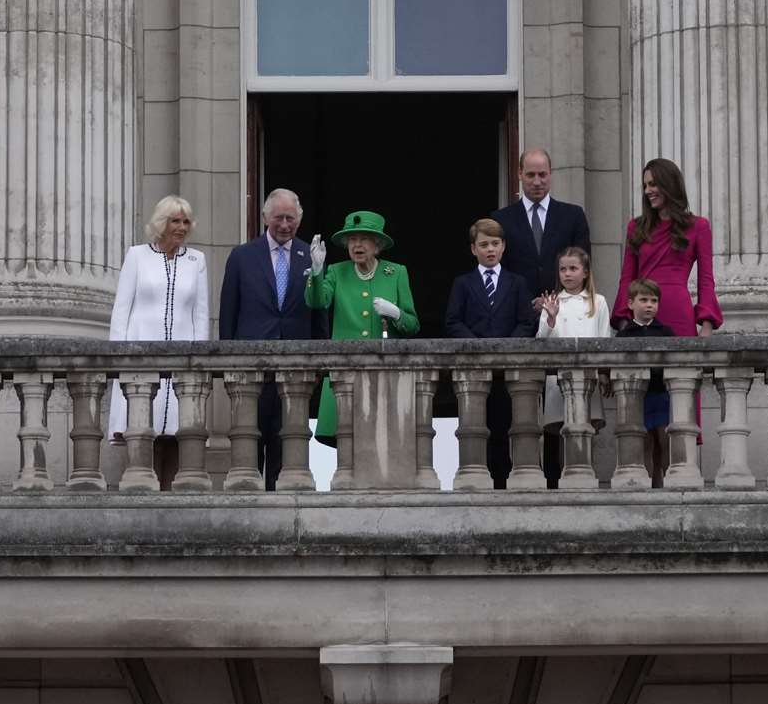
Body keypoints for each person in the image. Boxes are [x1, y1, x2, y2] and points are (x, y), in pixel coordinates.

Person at [219, 188, 325, 489]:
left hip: (295, 370)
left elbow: (319, 313)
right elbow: (228, 313)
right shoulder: (242, 256)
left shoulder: (311, 255)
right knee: (249, 443)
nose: (284, 224)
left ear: (299, 220)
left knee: (288, 444)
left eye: (291, 218)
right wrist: (227, 361)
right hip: (250, 369)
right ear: (266, 217)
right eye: (279, 217)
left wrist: (319, 362)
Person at [108, 195, 210, 485]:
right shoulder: (137, 256)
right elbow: (121, 311)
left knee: (179, 434)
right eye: (175, 221)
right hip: (140, 356)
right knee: (142, 431)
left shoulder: (196, 260)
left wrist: (200, 360)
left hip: (183, 360)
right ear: (162, 223)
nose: (182, 227)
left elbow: (201, 315)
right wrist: (118, 359)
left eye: (186, 221)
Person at [305, 210, 419, 445]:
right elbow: (317, 301)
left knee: (385, 444)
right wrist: (317, 271)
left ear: (377, 245)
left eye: (364, 239)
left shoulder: (396, 273)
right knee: (347, 444)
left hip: (384, 373)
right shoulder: (337, 271)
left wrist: (396, 313)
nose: (356, 245)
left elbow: (413, 326)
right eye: (352, 240)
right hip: (345, 373)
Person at [445, 217, 535, 487]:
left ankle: (505, 483)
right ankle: (478, 482)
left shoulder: (517, 282)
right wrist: (477, 346)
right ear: (474, 249)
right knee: (474, 430)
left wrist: (506, 347)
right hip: (475, 373)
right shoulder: (462, 283)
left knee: (510, 427)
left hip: (508, 372)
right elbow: (452, 321)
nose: (490, 249)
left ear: (504, 246)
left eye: (495, 243)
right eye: (484, 244)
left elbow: (527, 322)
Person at [611, 157, 722, 337]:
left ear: (669, 184)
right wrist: (624, 320)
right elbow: (627, 278)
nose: (647, 191)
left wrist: (707, 325)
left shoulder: (698, 226)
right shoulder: (636, 227)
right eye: (645, 185)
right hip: (641, 315)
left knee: (682, 366)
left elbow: (706, 279)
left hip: (678, 312)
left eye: (653, 184)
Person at [536, 245, 612, 486]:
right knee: (561, 430)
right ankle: (563, 478)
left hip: (588, 377)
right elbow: (541, 340)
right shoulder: (553, 300)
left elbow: (604, 339)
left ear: (585, 272)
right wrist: (550, 318)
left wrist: (603, 373)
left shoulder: (597, 302)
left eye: (573, 268)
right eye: (562, 269)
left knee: (585, 428)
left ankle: (585, 475)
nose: (567, 274)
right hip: (558, 378)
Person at [492, 148, 592, 307]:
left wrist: (554, 300)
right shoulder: (501, 220)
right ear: (520, 174)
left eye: (542, 175)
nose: (537, 182)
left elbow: (583, 264)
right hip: (517, 314)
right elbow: (498, 271)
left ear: (550, 173)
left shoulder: (573, 216)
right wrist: (527, 302)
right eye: (530, 175)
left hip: (564, 311)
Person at [616, 277, 675, 485]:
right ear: (631, 303)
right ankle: (647, 485)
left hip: (661, 394)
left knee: (665, 440)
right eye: (644, 300)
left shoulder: (666, 333)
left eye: (654, 301)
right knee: (645, 442)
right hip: (637, 398)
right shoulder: (623, 336)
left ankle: (669, 483)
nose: (649, 305)